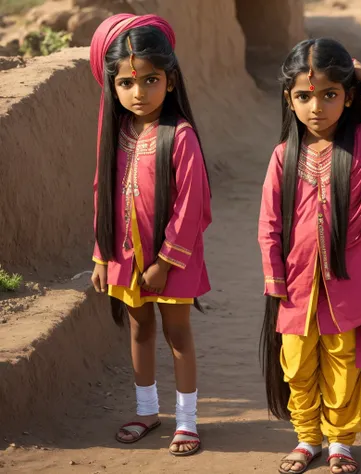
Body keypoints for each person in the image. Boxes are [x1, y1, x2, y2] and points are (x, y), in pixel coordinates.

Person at [258, 38, 361, 474]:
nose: (317, 107)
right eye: (304, 96)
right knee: (295, 364)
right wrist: (274, 279)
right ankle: (306, 437)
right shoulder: (283, 156)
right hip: (295, 283)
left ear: (348, 97)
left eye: (330, 94)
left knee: (341, 361)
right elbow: (269, 226)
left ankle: (339, 441)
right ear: (289, 99)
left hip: (349, 282)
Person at [89, 14, 211, 457]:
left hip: (170, 261)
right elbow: (103, 194)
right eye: (126, 83)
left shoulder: (180, 137)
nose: (138, 93)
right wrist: (102, 254)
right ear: (112, 86)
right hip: (124, 255)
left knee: (177, 334)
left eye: (150, 80)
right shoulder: (116, 133)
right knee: (138, 329)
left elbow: (191, 207)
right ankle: (146, 411)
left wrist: (165, 261)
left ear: (171, 81)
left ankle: (186, 421)